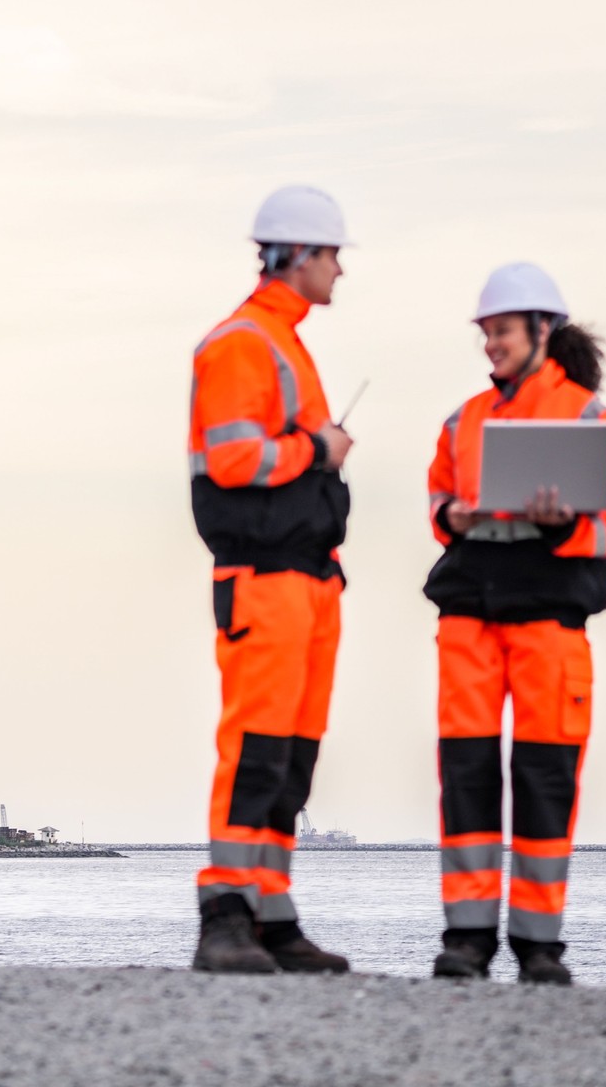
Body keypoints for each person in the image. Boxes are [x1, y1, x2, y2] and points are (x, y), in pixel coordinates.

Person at [422, 263, 606, 985]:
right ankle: (467, 942)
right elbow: (438, 505)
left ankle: (540, 948)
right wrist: (453, 514)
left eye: (501, 332)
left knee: (545, 779)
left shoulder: (590, 419)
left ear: (543, 331)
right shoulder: (463, 420)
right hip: (470, 618)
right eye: (485, 334)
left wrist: (564, 519)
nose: (490, 346)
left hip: (548, 621)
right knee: (468, 778)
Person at [187, 185, 357, 974]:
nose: (340, 273)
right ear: (298, 254)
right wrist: (316, 451)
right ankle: (224, 914)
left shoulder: (285, 345)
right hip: (264, 579)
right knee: (254, 746)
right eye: (333, 255)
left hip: (310, 583)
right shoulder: (242, 344)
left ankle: (270, 912)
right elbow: (231, 460)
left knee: (291, 758)